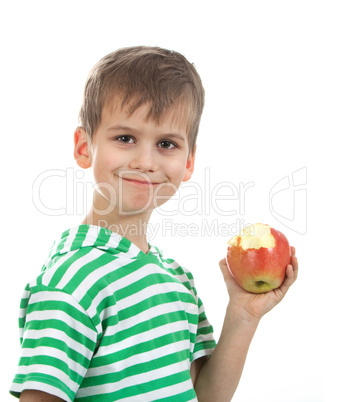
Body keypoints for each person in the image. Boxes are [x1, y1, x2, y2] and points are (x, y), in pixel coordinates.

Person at [10, 46, 298, 402]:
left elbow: (205, 395)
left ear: (189, 161)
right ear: (84, 147)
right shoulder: (72, 282)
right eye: (125, 138)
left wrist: (243, 315)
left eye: (166, 143)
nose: (146, 161)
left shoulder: (176, 279)